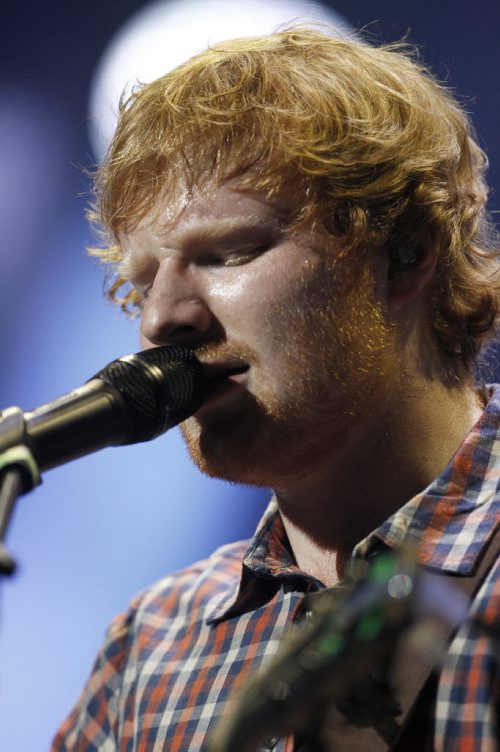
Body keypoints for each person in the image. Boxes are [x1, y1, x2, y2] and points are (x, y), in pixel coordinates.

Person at [52, 26, 499, 751]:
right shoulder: (151, 648)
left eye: (229, 251)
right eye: (139, 287)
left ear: (404, 250)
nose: (163, 318)